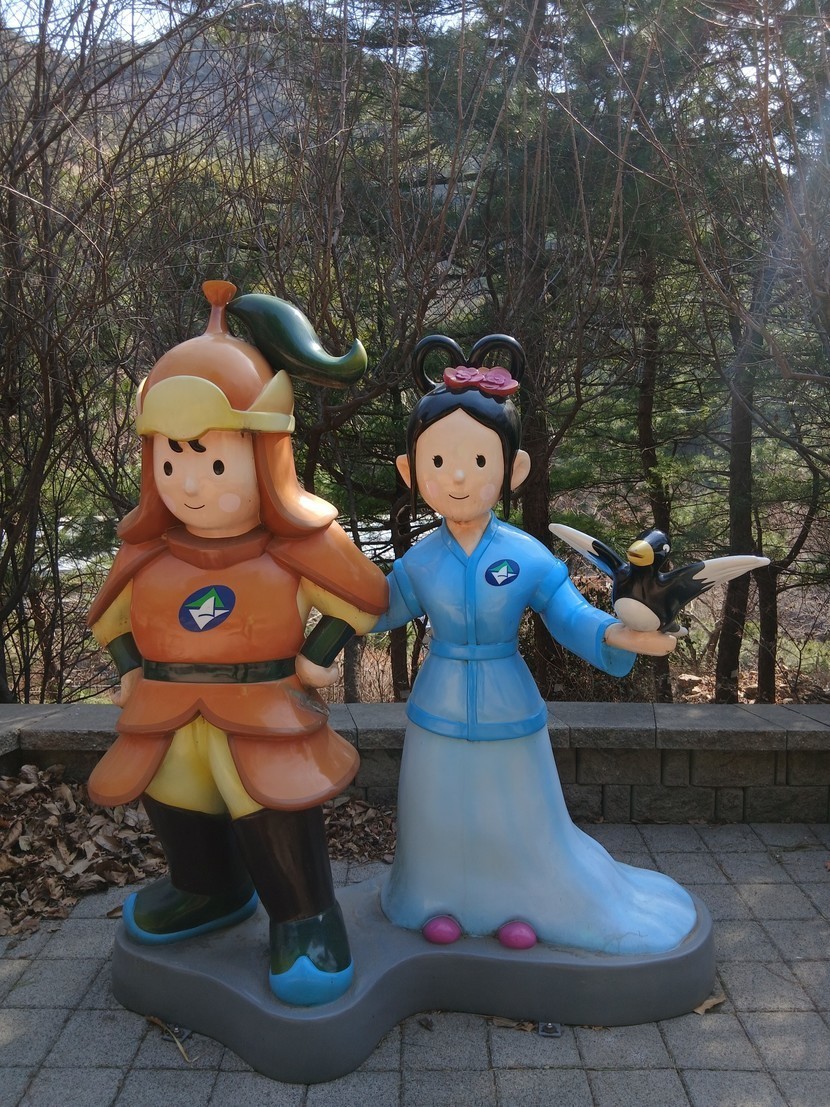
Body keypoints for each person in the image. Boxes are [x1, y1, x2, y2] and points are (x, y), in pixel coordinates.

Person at [87, 280, 386, 1005]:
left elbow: (361, 599)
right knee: (174, 794)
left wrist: (319, 651)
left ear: (266, 458)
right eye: (172, 462)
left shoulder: (297, 548)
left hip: (262, 711)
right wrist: (127, 667)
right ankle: (207, 888)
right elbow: (110, 619)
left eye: (214, 463)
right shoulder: (149, 552)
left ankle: (305, 916)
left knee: (268, 799)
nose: (191, 484)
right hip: (165, 710)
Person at [372, 334, 697, 954]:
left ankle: (520, 903)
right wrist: (318, 596)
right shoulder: (420, 561)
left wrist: (620, 634)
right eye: (438, 461)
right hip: (437, 702)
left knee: (515, 812)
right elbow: (377, 608)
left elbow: (568, 615)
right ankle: (434, 900)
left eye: (478, 459)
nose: (458, 476)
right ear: (411, 471)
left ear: (512, 470)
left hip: (507, 701)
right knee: (437, 810)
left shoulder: (527, 556)